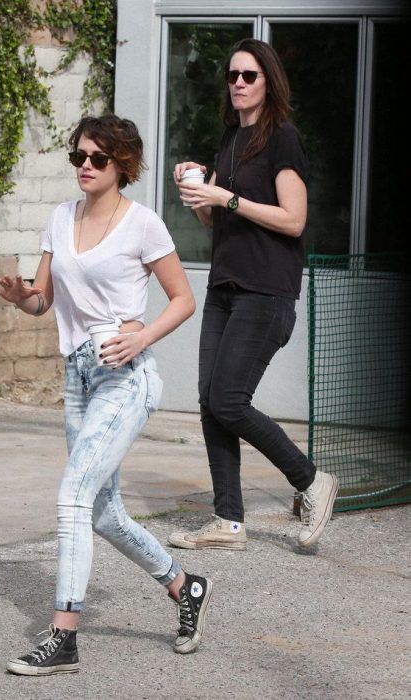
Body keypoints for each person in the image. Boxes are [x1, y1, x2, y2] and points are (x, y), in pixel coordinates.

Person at [0, 114, 212, 676]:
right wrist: (21, 297)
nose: (85, 167)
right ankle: (185, 587)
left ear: (123, 165)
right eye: (78, 157)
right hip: (77, 376)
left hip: (125, 374)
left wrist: (140, 334)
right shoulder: (59, 219)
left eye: (97, 158)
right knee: (102, 512)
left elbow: (183, 299)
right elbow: (43, 301)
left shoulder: (142, 225)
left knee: (72, 495)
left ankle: (64, 635)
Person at [168, 38, 338, 552]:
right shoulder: (230, 139)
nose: (238, 83)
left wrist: (229, 196)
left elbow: (294, 219)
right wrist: (196, 190)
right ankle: (228, 522)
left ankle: (311, 481)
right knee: (209, 402)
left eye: (249, 76)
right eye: (232, 76)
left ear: (268, 82)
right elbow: (212, 217)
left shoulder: (282, 138)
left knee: (229, 399)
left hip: (266, 291)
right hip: (225, 285)